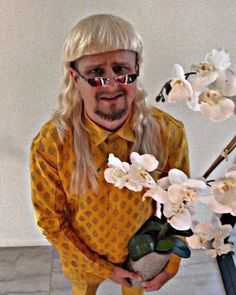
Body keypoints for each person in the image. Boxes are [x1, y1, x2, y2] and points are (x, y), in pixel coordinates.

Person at [30, 14, 190, 295]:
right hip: (82, 261)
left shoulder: (168, 133)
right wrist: (105, 270)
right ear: (74, 77)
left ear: (137, 69)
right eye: (95, 73)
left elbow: (180, 203)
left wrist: (172, 261)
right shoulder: (51, 145)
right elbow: (51, 223)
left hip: (142, 256)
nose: (111, 85)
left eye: (121, 69)